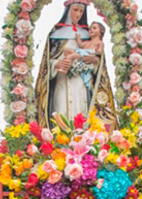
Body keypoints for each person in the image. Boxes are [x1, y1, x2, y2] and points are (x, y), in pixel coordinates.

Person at [35, 0, 116, 129]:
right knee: (60, 114)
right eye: (75, 10)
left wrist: (93, 61)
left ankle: (82, 145)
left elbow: (99, 64)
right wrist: (57, 64)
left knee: (81, 115)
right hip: (61, 82)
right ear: (68, 10)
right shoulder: (56, 34)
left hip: (81, 83)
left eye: (81, 11)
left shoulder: (88, 35)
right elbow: (46, 64)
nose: (78, 14)